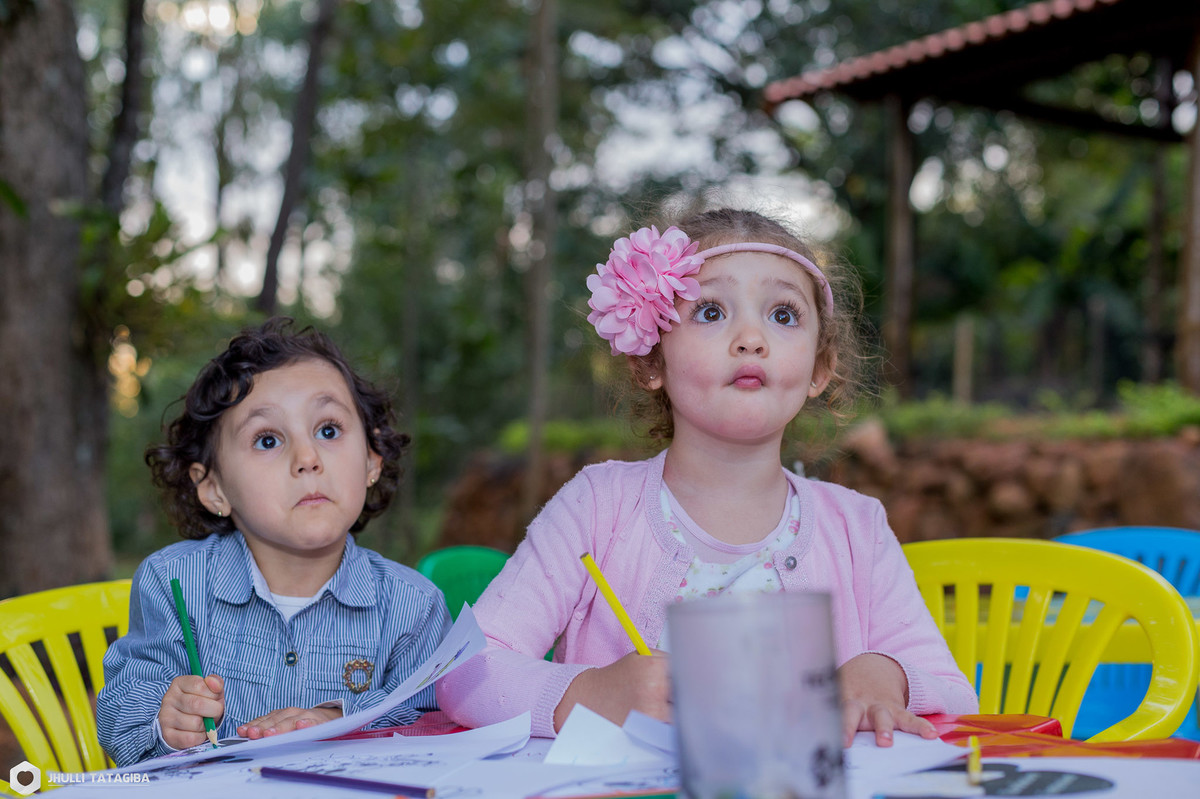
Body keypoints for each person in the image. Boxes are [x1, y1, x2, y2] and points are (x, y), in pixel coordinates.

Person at [437, 206, 978, 745]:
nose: (751, 337)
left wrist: (887, 675)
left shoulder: (859, 527)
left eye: (783, 315)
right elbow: (466, 670)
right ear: (651, 361)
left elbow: (957, 694)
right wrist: (586, 695)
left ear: (819, 368)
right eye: (711, 311)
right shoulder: (596, 508)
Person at [97, 318, 451, 766]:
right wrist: (164, 722)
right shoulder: (174, 582)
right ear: (214, 488)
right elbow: (118, 720)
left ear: (371, 459)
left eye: (328, 430)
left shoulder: (413, 605)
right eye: (267, 440)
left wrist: (342, 719)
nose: (307, 458)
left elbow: (439, 722)